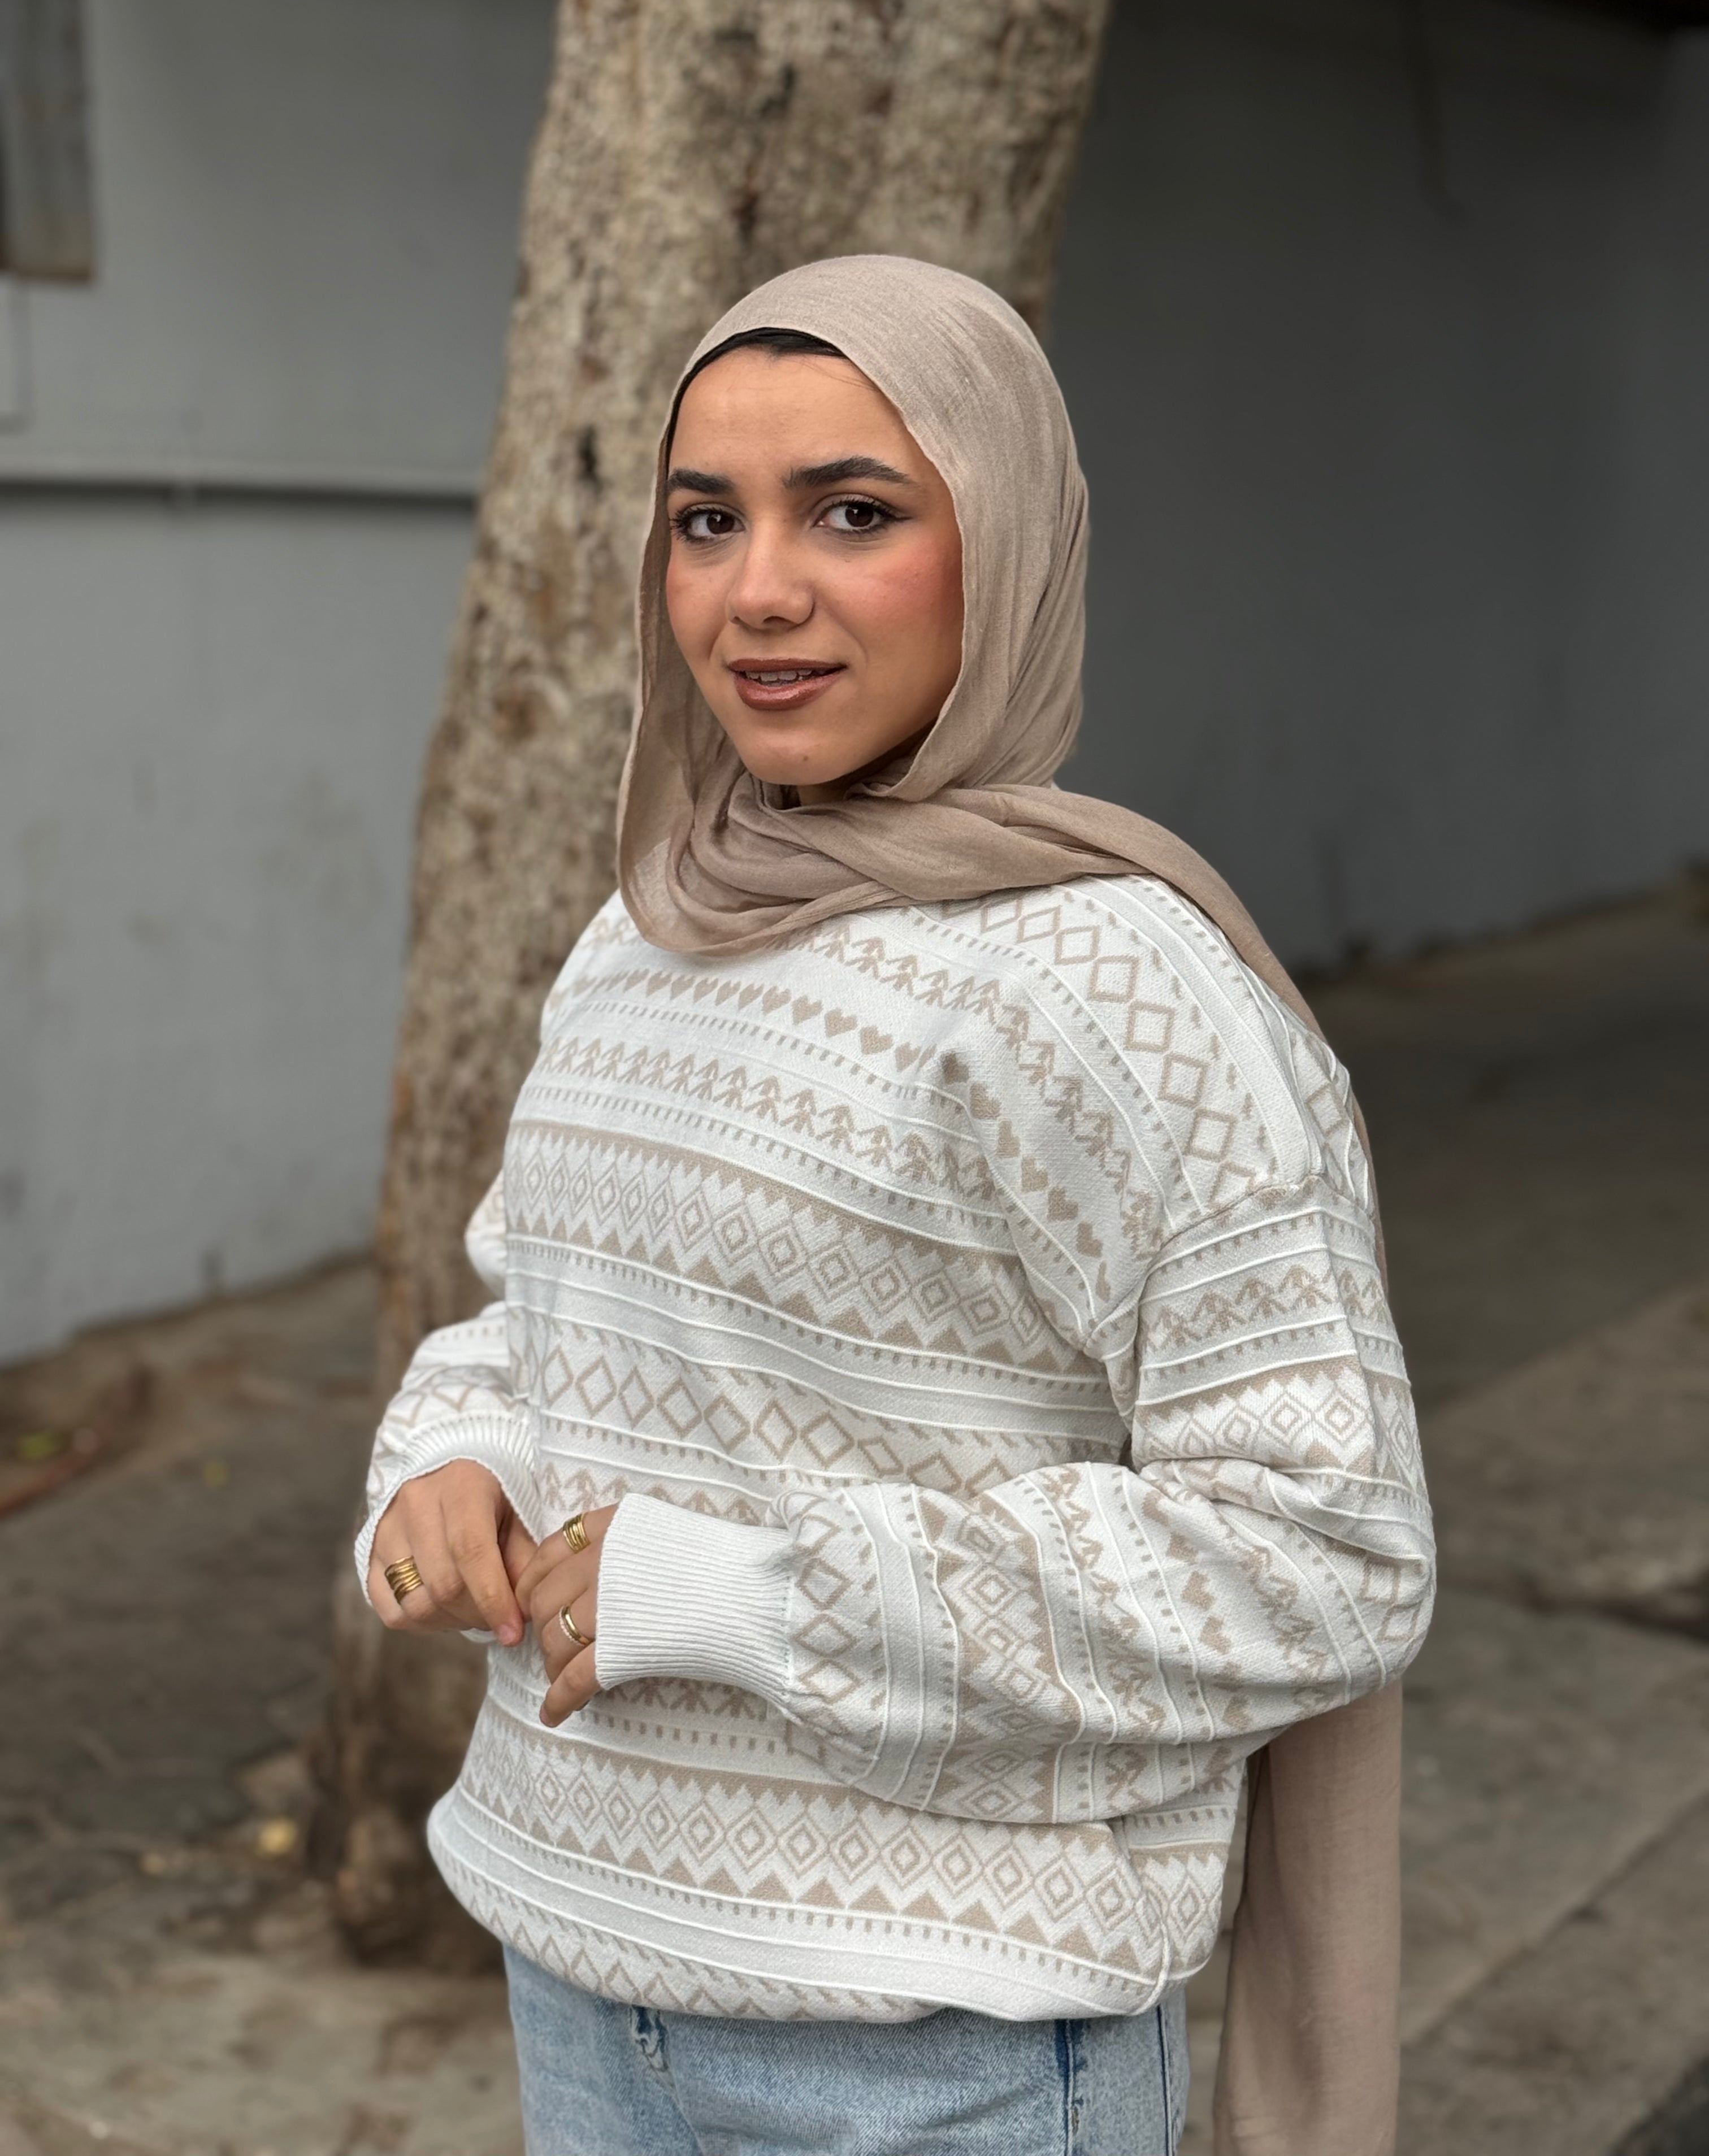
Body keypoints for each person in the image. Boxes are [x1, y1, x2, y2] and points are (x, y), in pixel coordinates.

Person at [358, 255, 1435, 2156]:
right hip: (582, 1972)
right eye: (707, 520)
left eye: (853, 513)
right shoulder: (649, 930)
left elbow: (1324, 1549)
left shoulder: (1109, 990)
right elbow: (538, 1318)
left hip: (946, 2051)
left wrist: (742, 1597)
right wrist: (454, 1461)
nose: (758, 590)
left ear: (1003, 545)